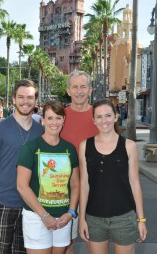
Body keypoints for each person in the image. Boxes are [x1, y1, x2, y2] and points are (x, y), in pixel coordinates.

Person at [0, 79, 44, 254]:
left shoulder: (42, 132)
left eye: (30, 97)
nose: (25, 101)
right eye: (21, 97)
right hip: (2, 203)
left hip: (31, 206)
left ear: (36, 101)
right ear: (14, 99)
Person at [78, 99, 147, 254]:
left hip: (124, 217)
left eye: (108, 115)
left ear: (116, 117)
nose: (104, 121)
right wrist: (82, 218)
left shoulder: (129, 146)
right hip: (94, 218)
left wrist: (141, 220)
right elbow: (84, 184)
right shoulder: (84, 146)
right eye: (99, 117)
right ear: (93, 120)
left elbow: (135, 184)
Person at [17, 100, 80, 254]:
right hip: (37, 217)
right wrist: (44, 216)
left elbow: (75, 184)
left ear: (63, 120)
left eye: (58, 118)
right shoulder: (31, 147)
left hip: (63, 219)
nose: (54, 122)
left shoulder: (69, 149)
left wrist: (70, 212)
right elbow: (22, 186)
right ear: (43, 120)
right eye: (50, 118)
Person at [60, 70, 99, 254]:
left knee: (95, 241)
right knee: (67, 243)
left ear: (90, 90)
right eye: (74, 87)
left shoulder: (100, 117)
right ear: (68, 90)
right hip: (65, 190)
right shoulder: (60, 118)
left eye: (83, 86)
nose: (79, 91)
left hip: (96, 189)